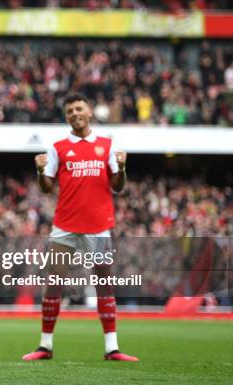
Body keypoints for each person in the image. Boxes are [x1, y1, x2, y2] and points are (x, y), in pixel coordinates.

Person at [23, 93, 139, 362]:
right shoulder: (58, 147)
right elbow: (47, 187)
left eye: (79, 108)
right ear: (67, 117)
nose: (74, 113)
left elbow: (117, 186)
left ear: (89, 112)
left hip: (98, 225)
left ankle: (112, 348)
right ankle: (45, 345)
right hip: (65, 225)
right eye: (70, 111)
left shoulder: (107, 145)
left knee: (104, 285)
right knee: (54, 284)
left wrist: (121, 169)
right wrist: (40, 172)